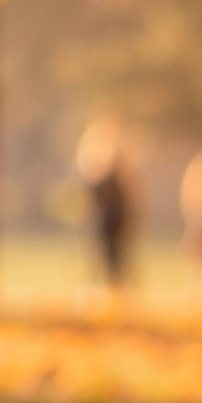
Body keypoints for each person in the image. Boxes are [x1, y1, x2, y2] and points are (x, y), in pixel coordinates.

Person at [72, 114, 135, 292]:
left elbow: (126, 190)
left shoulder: (117, 160)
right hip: (102, 215)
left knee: (115, 253)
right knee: (99, 252)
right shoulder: (95, 158)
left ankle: (116, 286)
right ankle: (102, 285)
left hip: (115, 215)